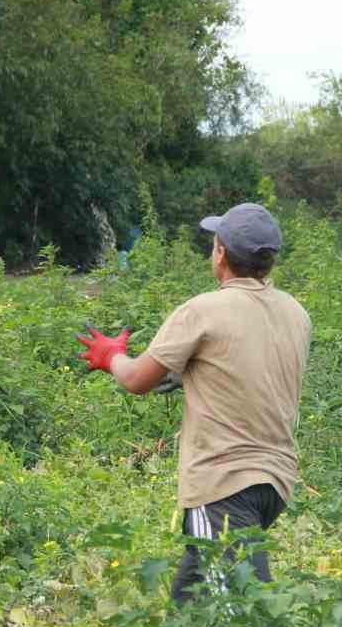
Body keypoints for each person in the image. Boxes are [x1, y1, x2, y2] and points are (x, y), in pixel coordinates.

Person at [77, 203, 311, 603]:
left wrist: (110, 355)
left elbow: (136, 381)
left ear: (220, 252)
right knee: (192, 598)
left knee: (244, 609)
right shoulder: (295, 312)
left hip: (223, 482)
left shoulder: (204, 310)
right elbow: (245, 369)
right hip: (275, 480)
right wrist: (186, 372)